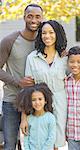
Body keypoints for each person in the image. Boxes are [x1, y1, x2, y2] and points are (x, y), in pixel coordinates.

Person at [0, 4, 43, 149]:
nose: (33, 20)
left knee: (34, 145)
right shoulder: (9, 40)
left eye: (37, 16)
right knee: (10, 145)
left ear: (42, 18)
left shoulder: (44, 42)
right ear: (24, 17)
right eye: (30, 16)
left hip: (35, 103)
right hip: (12, 100)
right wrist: (18, 82)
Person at [21, 20, 68, 150]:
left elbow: (77, 76)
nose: (47, 36)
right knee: (40, 142)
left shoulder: (65, 58)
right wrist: (24, 117)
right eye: (44, 33)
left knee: (56, 142)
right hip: (39, 106)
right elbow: (28, 90)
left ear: (57, 34)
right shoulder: (32, 57)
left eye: (51, 32)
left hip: (60, 103)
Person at [17, 82, 56, 150]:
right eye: (33, 100)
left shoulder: (50, 118)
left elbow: (51, 137)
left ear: (45, 101)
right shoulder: (29, 119)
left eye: (40, 99)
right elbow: (26, 138)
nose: (37, 102)